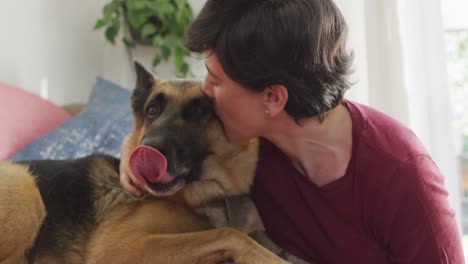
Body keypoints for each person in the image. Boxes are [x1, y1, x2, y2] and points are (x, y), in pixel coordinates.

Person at [119, 0, 464, 263]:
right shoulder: (243, 148)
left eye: (216, 80)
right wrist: (130, 152)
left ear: (272, 98)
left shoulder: (402, 175)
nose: (205, 89)